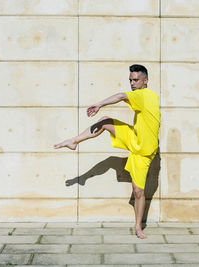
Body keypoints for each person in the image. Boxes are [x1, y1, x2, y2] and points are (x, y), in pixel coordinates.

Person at [54, 64, 160, 239]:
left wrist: (99, 104)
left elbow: (119, 96)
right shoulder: (140, 94)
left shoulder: (146, 95)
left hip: (144, 151)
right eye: (130, 80)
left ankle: (138, 227)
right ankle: (74, 141)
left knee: (138, 191)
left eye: (136, 80)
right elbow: (122, 96)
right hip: (134, 137)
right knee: (104, 121)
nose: (132, 83)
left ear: (145, 81)